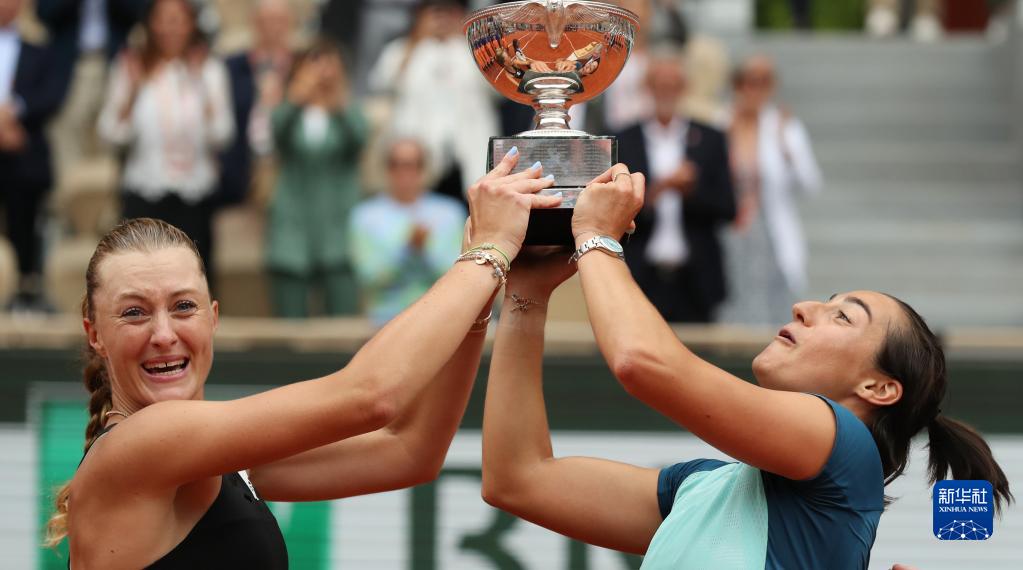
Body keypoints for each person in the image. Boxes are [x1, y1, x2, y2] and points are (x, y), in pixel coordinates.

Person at [44, 146, 563, 567]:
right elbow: (370, 396)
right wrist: (489, 253)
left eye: (183, 307)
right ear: (94, 333)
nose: (163, 334)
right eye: (134, 313)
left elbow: (411, 450)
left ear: (213, 317)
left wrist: (482, 286)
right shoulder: (137, 446)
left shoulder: (216, 458)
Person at [480, 163, 1013, 568]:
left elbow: (642, 362)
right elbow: (517, 479)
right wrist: (527, 292)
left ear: (878, 388)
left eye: (843, 316)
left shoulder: (846, 447)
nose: (804, 307)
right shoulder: (701, 488)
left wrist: (596, 237)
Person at [96, 0, 234, 286]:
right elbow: (110, 133)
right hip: (145, 190)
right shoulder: (131, 65)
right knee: (141, 279)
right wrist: (133, 90)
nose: (170, 29)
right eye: (163, 19)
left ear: (191, 24)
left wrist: (200, 85)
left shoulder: (210, 69)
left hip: (194, 193)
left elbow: (223, 134)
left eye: (178, 20)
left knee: (192, 280)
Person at [617, 49, 735, 323]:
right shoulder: (625, 139)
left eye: (673, 85)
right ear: (648, 88)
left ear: (684, 88)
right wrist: (658, 190)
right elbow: (615, 210)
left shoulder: (710, 138)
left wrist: (691, 191)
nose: (666, 93)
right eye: (660, 85)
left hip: (695, 278)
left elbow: (728, 206)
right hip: (641, 273)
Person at [718, 54, 822, 326]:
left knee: (776, 304)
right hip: (731, 230)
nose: (757, 89)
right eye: (750, 81)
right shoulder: (720, 122)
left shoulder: (783, 126)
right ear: (737, 84)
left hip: (771, 231)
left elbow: (810, 183)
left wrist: (786, 148)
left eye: (765, 82)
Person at [265, 40, 365, 318]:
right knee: (289, 324)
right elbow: (276, 132)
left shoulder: (346, 112)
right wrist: (296, 96)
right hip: (292, 226)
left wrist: (339, 101)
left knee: (342, 322)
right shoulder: (290, 113)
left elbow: (359, 139)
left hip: (337, 226)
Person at [368, 0, 498, 205]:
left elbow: (497, 88)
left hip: (468, 151)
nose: (442, 19)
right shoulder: (402, 49)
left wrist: (466, 36)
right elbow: (383, 83)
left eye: (449, 12)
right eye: (435, 12)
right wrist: (416, 40)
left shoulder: (473, 50)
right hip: (420, 153)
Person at [349, 137, 466, 326]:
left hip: (441, 318)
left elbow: (458, 274)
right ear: (386, 168)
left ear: (424, 168)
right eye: (396, 164)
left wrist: (420, 252)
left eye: (412, 165)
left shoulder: (449, 213)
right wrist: (408, 250)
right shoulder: (365, 216)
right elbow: (369, 276)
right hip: (385, 320)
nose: (404, 172)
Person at [0, 0, 65, 312]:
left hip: (22, 152)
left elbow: (51, 96)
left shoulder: (40, 52)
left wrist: (15, 115)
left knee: (25, 222)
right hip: (9, 137)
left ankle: (26, 288)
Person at [217, 0, 294, 208]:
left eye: (279, 21)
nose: (273, 28)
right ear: (255, 23)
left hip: (287, 171)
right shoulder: (232, 67)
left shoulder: (300, 66)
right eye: (266, 21)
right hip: (241, 169)